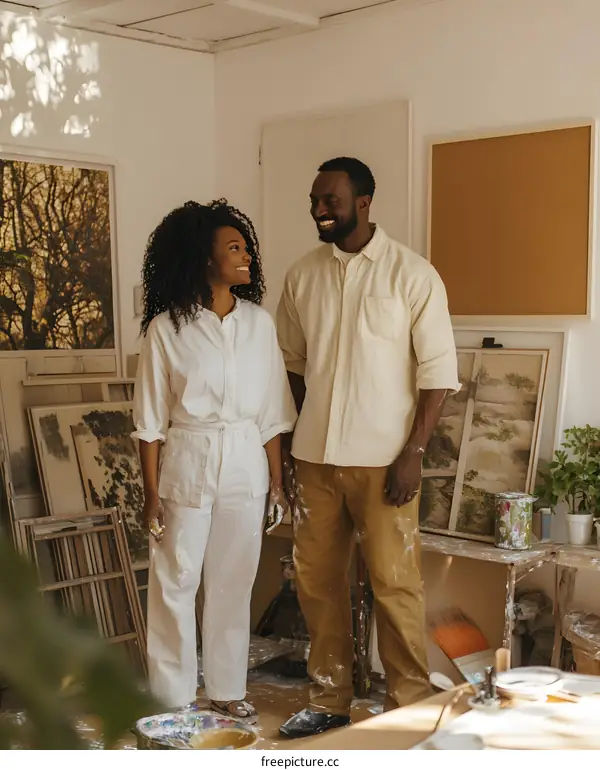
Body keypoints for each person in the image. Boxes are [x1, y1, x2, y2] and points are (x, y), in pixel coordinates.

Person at [276, 157, 460, 738]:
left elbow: (438, 374)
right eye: (314, 200)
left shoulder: (413, 274)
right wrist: (294, 437)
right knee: (317, 582)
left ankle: (406, 703)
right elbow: (292, 365)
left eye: (329, 198)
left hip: (385, 461)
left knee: (394, 583)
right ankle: (329, 696)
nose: (319, 209)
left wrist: (414, 452)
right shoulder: (302, 275)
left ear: (364, 201)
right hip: (314, 458)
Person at [132, 199, 296, 723]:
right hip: (188, 461)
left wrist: (277, 482)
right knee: (175, 581)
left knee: (233, 580)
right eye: (234, 248)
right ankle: (172, 697)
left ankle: (226, 687)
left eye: (245, 247)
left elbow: (271, 412)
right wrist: (151, 494)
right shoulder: (166, 330)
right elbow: (151, 423)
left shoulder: (259, 325)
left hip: (245, 464)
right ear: (204, 259)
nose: (246, 256)